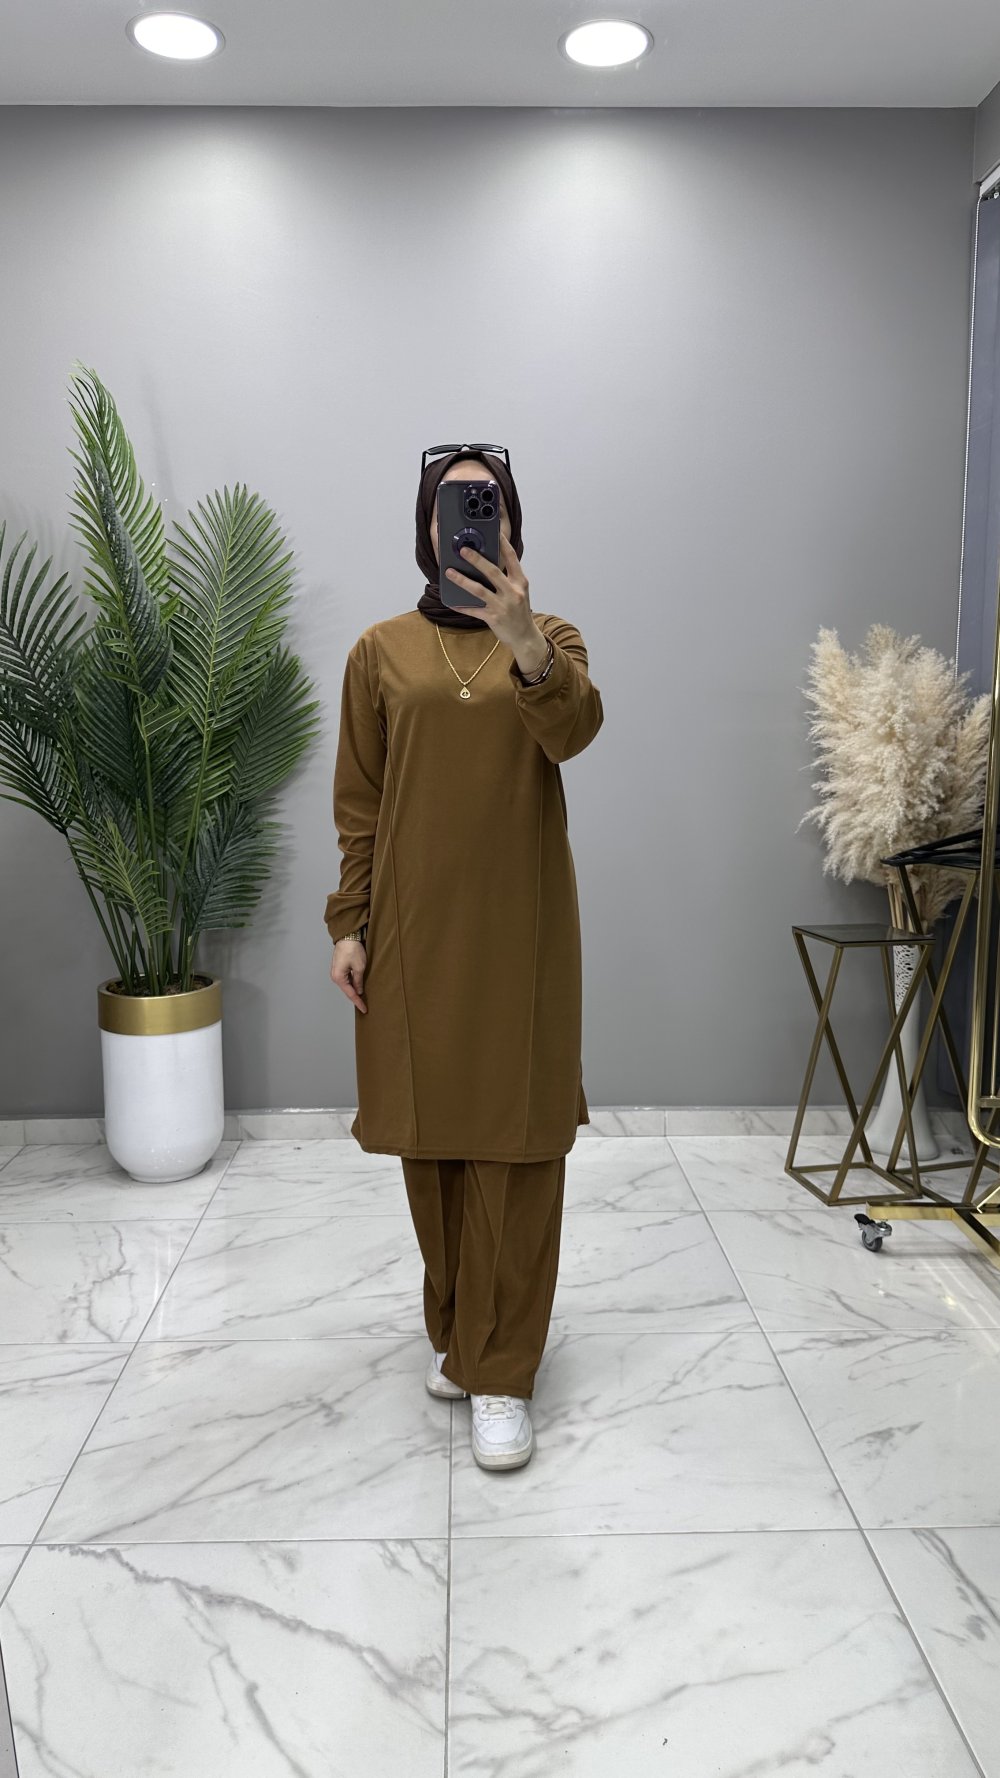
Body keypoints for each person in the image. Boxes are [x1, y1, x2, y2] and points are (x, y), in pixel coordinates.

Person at [324, 442, 604, 1471]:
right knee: (433, 1143)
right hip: (412, 933)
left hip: (522, 933)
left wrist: (522, 637)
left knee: (519, 1150)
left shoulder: (552, 640)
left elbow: (574, 732)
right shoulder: (380, 651)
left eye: (488, 505)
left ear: (512, 525)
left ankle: (504, 1369)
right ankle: (459, 1333)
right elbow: (360, 803)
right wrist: (348, 922)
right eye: (454, 506)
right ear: (428, 529)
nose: (472, 520)